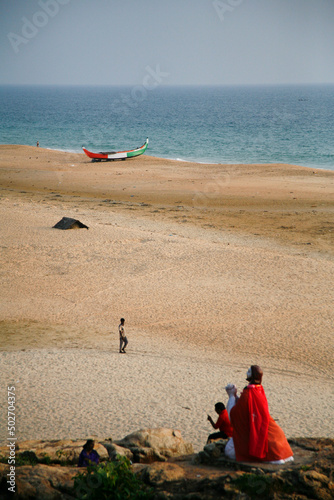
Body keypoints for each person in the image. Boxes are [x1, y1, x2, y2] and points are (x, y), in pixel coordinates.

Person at [225, 365, 294, 464]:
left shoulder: (248, 394)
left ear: (251, 376)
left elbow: (233, 416)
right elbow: (246, 409)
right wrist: (236, 397)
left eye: (248, 371)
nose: (246, 372)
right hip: (281, 444)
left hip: (271, 450)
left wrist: (231, 396)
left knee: (229, 450)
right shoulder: (259, 390)